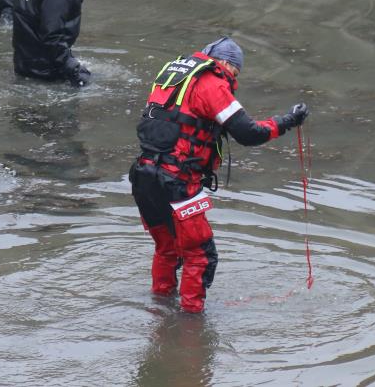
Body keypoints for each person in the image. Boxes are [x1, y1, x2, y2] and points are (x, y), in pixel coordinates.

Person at [129, 36, 309, 313]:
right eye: (234, 72)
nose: (232, 79)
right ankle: (189, 331)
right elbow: (249, 133)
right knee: (200, 257)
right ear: (225, 64)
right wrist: (287, 121)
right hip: (177, 182)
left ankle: (160, 311)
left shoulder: (175, 77)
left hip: (144, 176)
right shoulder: (211, 83)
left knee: (167, 250)